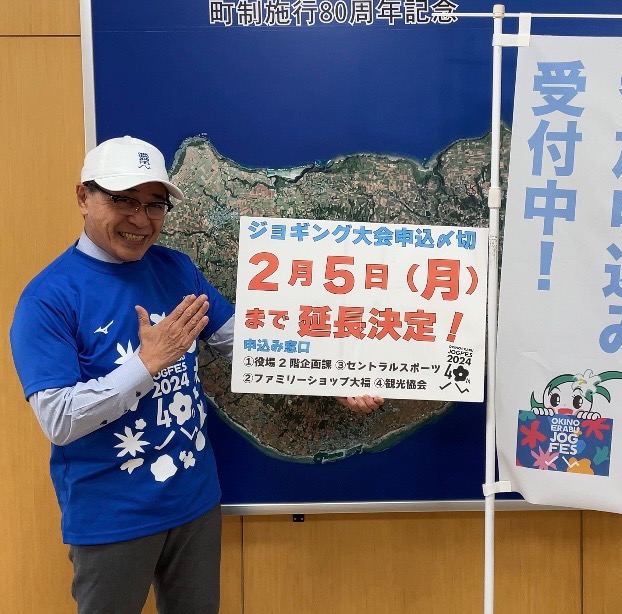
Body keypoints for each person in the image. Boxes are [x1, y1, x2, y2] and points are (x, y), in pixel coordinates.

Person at [9, 136, 382, 613]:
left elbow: (241, 342)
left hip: (195, 500)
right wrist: (145, 365)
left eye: (154, 205)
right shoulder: (48, 298)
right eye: (123, 200)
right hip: (112, 516)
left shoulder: (176, 268)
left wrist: (335, 375)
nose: (141, 220)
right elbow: (59, 419)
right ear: (84, 197)